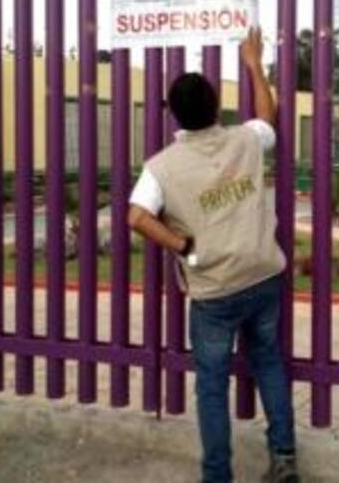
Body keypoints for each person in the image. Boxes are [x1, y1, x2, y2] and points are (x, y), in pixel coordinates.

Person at [127, 27, 298, 483]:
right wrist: (252, 62)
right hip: (263, 277)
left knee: (211, 387)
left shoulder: (160, 167)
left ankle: (218, 475)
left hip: (215, 291)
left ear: (175, 116)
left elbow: (137, 217)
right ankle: (284, 458)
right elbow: (268, 112)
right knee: (268, 363)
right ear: (216, 106)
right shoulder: (245, 140)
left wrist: (181, 245)